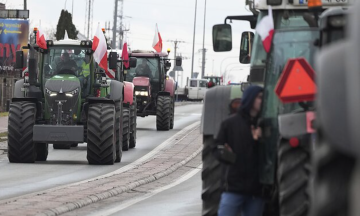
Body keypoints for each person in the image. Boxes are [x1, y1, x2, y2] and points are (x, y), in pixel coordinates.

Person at [214, 85, 264, 216]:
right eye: (259, 97)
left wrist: (257, 141)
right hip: (233, 188)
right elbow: (216, 148)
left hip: (256, 191)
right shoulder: (230, 124)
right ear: (250, 99)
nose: (261, 101)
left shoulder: (263, 125)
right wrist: (227, 155)